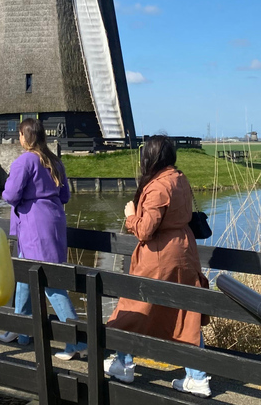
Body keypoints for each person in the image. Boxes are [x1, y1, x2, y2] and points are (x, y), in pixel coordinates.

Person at [104, 136, 211, 398]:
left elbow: (144, 230)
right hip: (184, 251)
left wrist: (130, 215)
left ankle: (124, 363)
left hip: (159, 256)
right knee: (186, 310)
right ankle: (198, 377)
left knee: (132, 306)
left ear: (150, 157)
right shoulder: (180, 178)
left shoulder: (158, 187)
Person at [0, 118, 87, 360]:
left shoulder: (25, 160)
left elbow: (11, 194)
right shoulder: (55, 161)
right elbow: (65, 195)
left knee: (51, 282)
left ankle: (77, 340)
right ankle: (20, 329)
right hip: (54, 221)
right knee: (26, 278)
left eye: (19, 135)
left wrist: (15, 194)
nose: (19, 139)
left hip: (33, 225)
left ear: (25, 137)